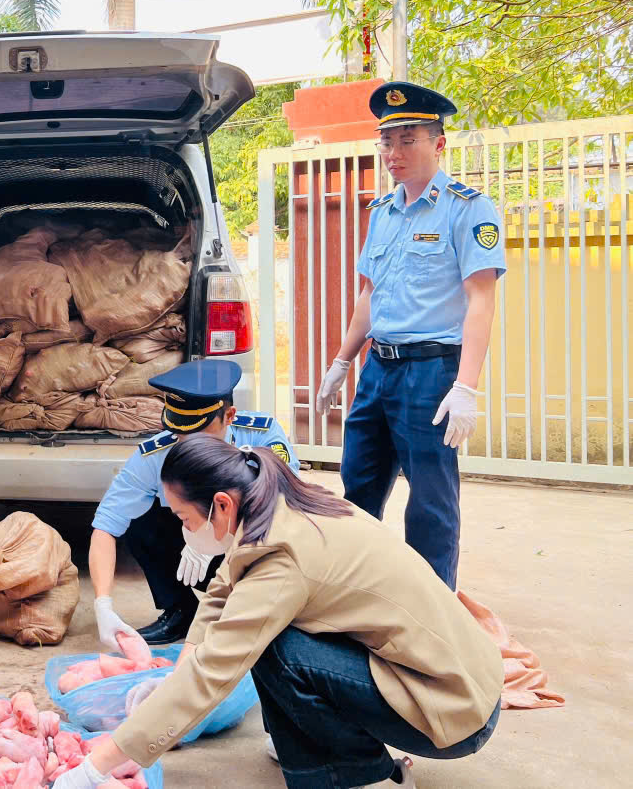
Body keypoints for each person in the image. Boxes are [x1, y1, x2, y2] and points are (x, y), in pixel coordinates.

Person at [55, 434, 502, 789]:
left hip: (452, 709)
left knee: (273, 648)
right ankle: (327, 762)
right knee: (264, 640)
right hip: (460, 678)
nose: (184, 529)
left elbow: (211, 676)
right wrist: (184, 660)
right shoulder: (282, 504)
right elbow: (224, 588)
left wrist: (96, 766)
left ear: (221, 505)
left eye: (184, 518)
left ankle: (366, 777)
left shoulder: (282, 560)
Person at [315, 82, 506, 589]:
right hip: (378, 369)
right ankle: (357, 595)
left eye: (408, 139)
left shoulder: (468, 209)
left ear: (438, 142)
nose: (393, 153)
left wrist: (465, 386)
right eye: (386, 141)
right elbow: (368, 296)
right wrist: (341, 362)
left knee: (430, 500)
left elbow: (481, 299)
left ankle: (432, 609)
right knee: (357, 486)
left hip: (432, 371)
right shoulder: (383, 212)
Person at [89, 359, 299, 647]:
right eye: (179, 430)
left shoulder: (261, 434)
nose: (186, 442)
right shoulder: (156, 454)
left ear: (230, 416)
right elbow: (106, 526)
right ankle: (180, 611)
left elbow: (283, 502)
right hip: (191, 561)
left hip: (253, 550)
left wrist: (215, 538)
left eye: (198, 431)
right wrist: (103, 606)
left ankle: (251, 605)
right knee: (140, 522)